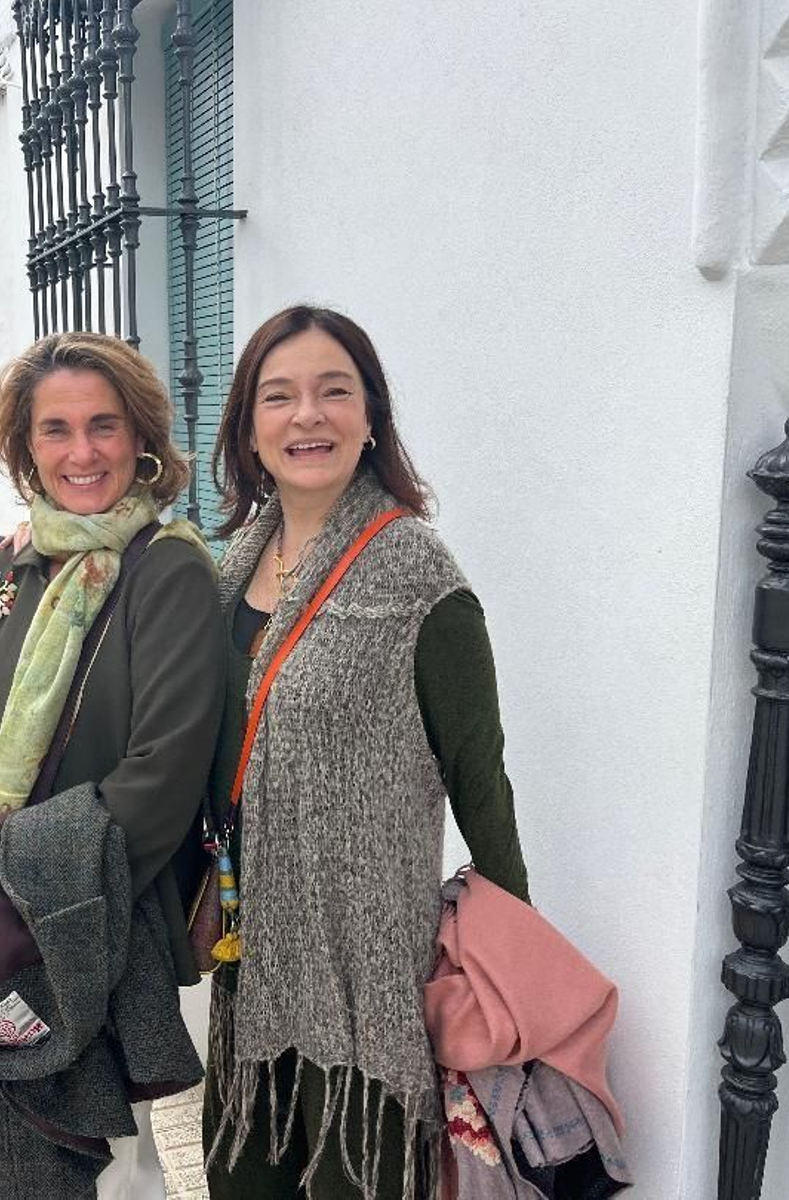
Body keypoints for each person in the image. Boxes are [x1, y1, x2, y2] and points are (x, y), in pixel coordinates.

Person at [201, 306, 531, 1199]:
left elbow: (479, 780)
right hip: (250, 978)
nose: (307, 416)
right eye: (279, 397)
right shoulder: (225, 568)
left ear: (371, 415)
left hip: (368, 994)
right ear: (248, 427)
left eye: (332, 391)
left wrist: (509, 974)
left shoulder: (421, 579)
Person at [0, 331, 226, 1198]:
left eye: (103, 426)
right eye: (55, 430)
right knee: (23, 1156)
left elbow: (162, 777)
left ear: (142, 439)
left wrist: (9, 881)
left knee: (112, 1167)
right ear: (25, 448)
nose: (81, 452)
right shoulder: (13, 564)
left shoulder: (170, 572)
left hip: (95, 916)